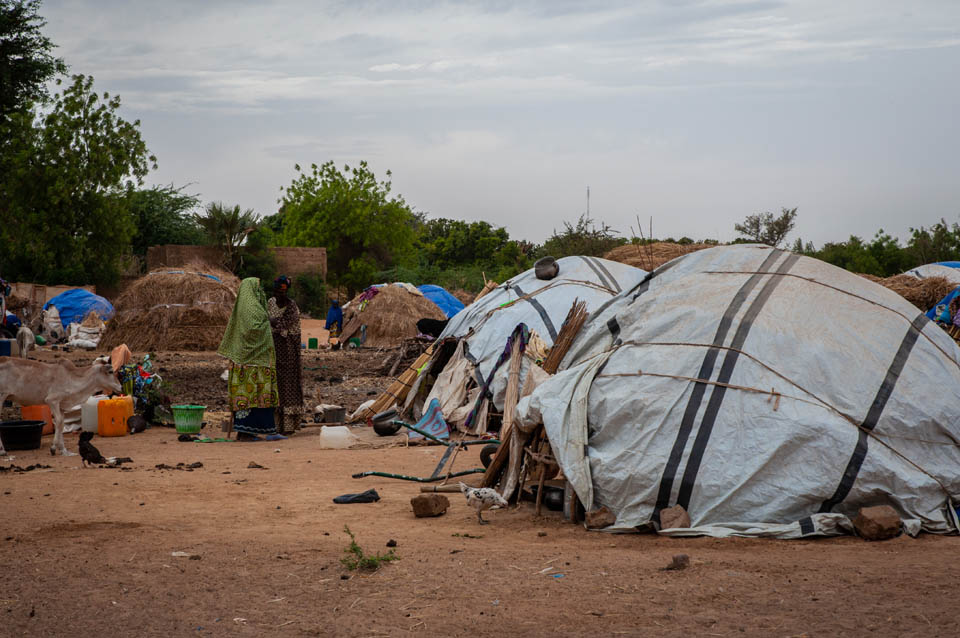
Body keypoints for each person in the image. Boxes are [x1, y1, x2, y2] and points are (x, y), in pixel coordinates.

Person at [218, 277, 281, 441]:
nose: (260, 292)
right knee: (248, 397)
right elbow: (253, 329)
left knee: (258, 396)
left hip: (254, 363)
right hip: (250, 362)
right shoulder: (250, 308)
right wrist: (269, 322)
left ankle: (258, 431)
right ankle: (246, 432)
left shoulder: (251, 307)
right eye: (257, 288)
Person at [267, 275, 303, 435]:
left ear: (287, 291)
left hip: (289, 351)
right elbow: (268, 321)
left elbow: (279, 324)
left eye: (283, 291)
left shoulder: (292, 307)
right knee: (275, 385)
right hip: (273, 350)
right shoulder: (270, 302)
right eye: (277, 291)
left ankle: (288, 426)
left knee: (288, 386)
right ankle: (275, 425)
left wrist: (272, 321)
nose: (280, 294)